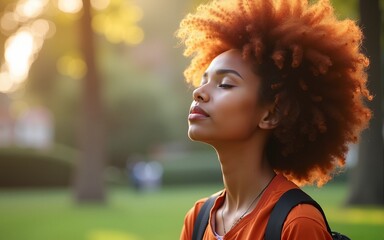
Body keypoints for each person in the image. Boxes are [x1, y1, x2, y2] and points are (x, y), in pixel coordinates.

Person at [176, 0, 372, 239]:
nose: (199, 92)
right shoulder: (197, 220)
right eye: (203, 80)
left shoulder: (297, 223)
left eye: (225, 84)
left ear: (270, 114)